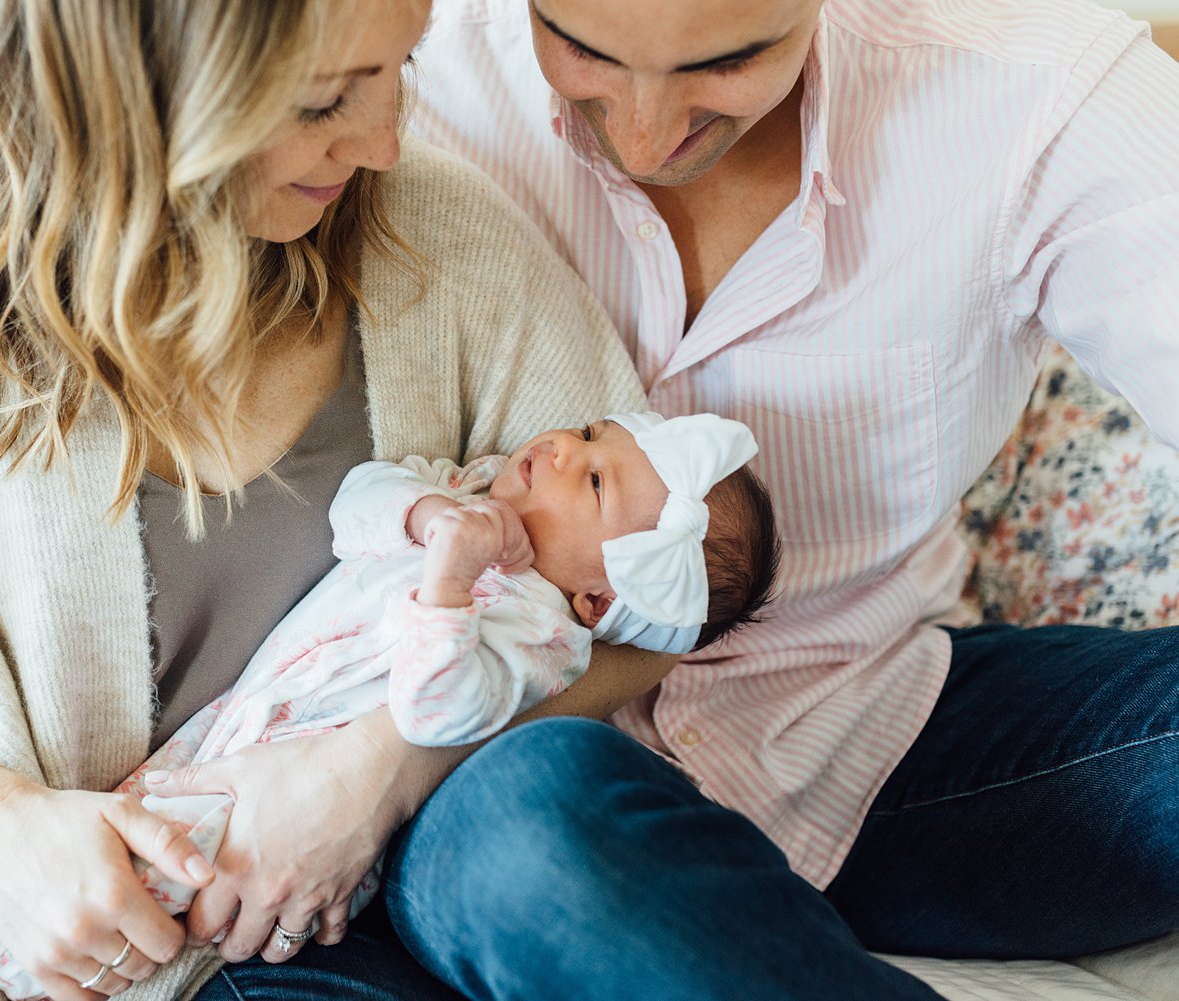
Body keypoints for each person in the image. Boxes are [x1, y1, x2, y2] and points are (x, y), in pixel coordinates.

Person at [0, 2, 688, 1000]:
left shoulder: (445, 238)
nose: (384, 140)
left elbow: (654, 607)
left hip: (286, 912)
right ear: (142, 91)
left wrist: (380, 767)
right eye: (320, 101)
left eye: (398, 67)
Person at [382, 0, 1179, 994]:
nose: (645, 135)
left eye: (729, 61)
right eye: (580, 49)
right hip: (512, 774)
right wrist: (363, 771)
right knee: (536, 833)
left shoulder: (1034, 92)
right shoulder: (401, 78)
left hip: (872, 733)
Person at [0, 411, 781, 999]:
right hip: (259, 708)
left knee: (188, 871)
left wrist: (449, 581)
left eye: (592, 479)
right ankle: (16, 933)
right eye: (591, 434)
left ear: (599, 599)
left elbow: (439, 712)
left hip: (315, 759)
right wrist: (425, 514)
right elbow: (357, 505)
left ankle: (28, 959)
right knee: (143, 813)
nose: (561, 447)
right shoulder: (469, 493)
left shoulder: (542, 634)